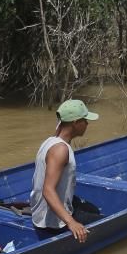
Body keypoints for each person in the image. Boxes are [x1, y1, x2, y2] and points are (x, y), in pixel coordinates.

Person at [30, 99, 100, 243]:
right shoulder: (60, 150)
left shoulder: (51, 140)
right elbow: (48, 190)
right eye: (84, 120)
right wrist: (71, 222)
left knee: (93, 209)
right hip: (50, 222)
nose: (87, 124)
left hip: (40, 211)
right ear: (75, 123)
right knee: (103, 222)